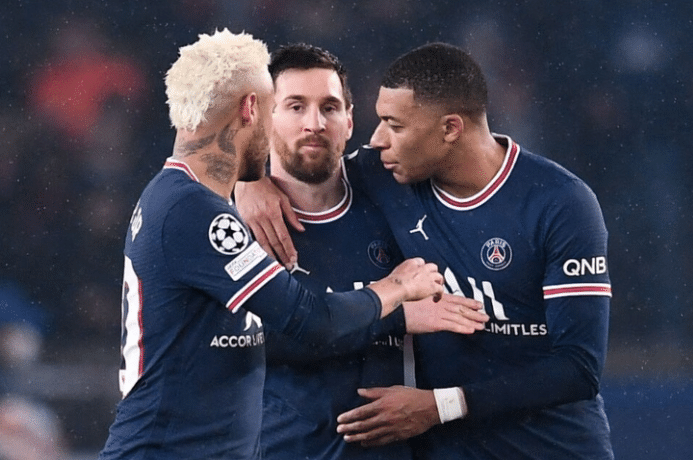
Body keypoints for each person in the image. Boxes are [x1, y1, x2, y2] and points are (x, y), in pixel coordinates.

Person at [98, 30, 483, 460]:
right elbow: (308, 320)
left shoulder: (184, 200)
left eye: (328, 107)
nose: (310, 124)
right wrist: (398, 292)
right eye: (285, 107)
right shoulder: (197, 212)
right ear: (252, 109)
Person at [236, 42, 614, 459]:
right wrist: (248, 180)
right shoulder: (384, 175)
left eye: (394, 125)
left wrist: (441, 406)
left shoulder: (560, 202)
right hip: (446, 450)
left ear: (449, 129)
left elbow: (580, 368)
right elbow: (303, 166)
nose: (377, 140)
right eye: (295, 107)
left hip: (551, 448)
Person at [244, 43, 489, 460]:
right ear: (265, 118)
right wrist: (397, 314)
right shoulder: (235, 224)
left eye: (330, 107)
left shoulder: (390, 190)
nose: (315, 124)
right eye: (296, 107)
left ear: (350, 120)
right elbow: (253, 342)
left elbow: (470, 157)